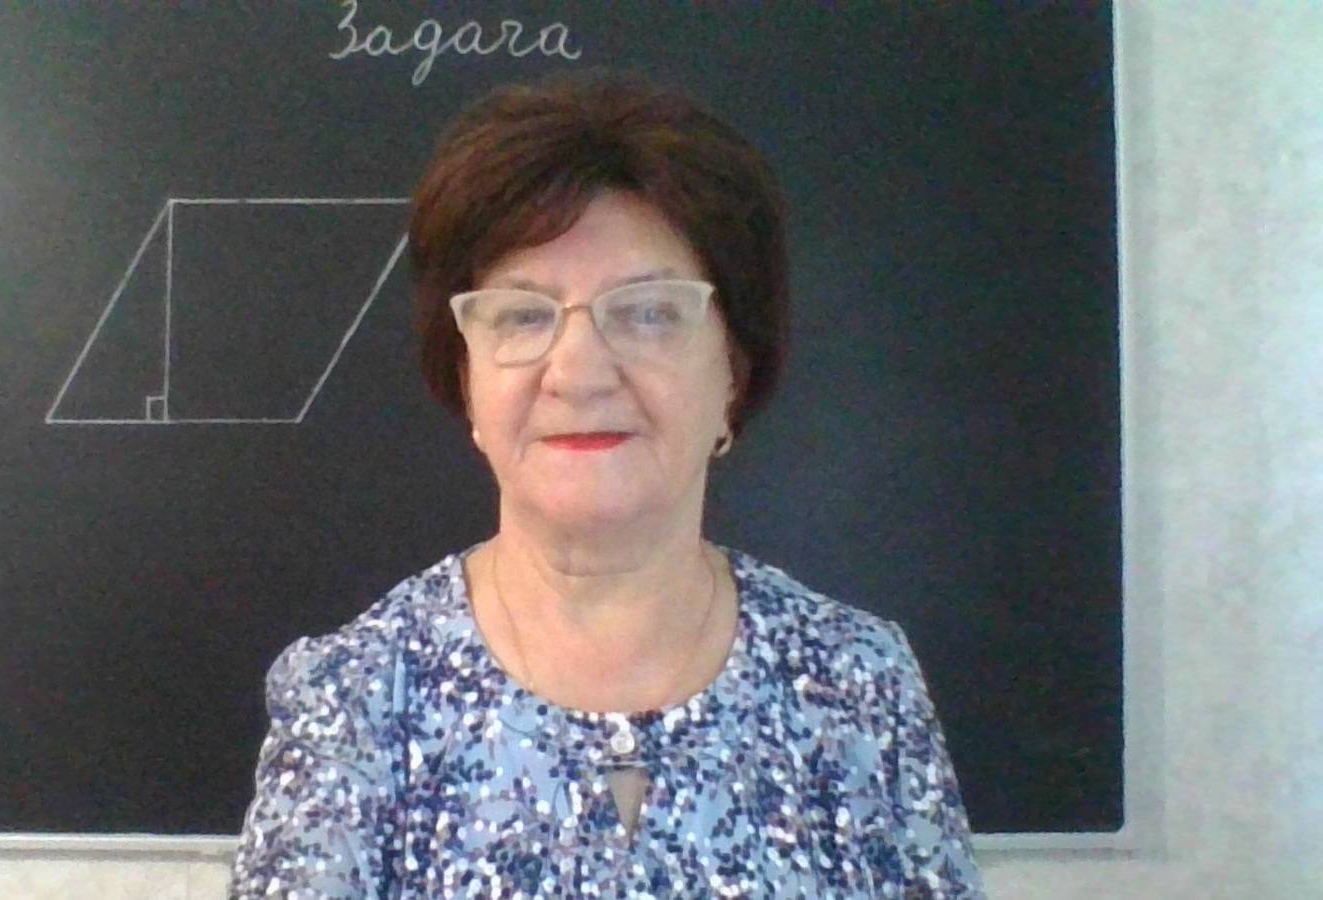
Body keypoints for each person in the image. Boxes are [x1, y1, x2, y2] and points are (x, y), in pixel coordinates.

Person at [229, 71, 983, 898]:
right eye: (523, 315)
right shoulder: (355, 700)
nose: (579, 372)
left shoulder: (859, 688)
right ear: (467, 378)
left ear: (734, 370)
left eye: (649, 312)